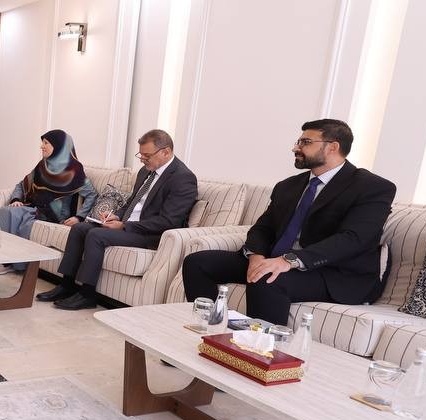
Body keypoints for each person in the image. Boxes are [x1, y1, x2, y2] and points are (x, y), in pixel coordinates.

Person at [182, 119, 395, 325]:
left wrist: (288, 261)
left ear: (333, 147)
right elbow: (263, 228)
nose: (295, 148)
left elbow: (353, 239)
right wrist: (256, 256)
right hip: (275, 261)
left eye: (305, 142)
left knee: (267, 280)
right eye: (298, 142)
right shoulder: (288, 186)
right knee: (198, 263)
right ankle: (209, 330)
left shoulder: (372, 187)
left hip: (331, 272)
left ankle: (261, 347)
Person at [37, 129, 198, 310]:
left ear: (166, 152)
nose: (142, 159)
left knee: (96, 235)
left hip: (151, 234)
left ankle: (87, 294)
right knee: (79, 228)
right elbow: (132, 202)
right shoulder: (145, 172)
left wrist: (124, 225)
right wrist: (117, 215)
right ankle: (66, 285)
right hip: (129, 226)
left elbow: (168, 221)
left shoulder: (183, 178)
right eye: (140, 155)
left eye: (147, 156)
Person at [0, 130, 98, 275]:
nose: (42, 146)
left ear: (59, 146)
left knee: (14, 216)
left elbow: (92, 194)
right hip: (35, 208)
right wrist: (16, 199)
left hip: (54, 216)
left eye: (46, 143)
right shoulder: (43, 165)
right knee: (5, 211)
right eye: (42, 143)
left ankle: (6, 262)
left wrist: (79, 217)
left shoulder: (74, 170)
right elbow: (21, 185)